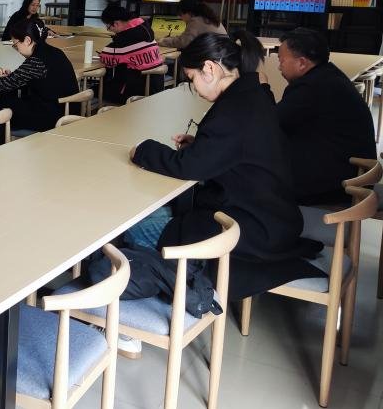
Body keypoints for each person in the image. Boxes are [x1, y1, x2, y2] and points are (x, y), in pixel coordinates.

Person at [130, 31, 316, 297]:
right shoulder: (253, 96)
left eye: (192, 79)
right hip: (272, 215)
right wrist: (203, 146)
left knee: (135, 229)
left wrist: (143, 149)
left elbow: (189, 167)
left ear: (209, 68)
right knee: (156, 214)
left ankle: (162, 278)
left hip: (250, 228)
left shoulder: (233, 111)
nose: (194, 88)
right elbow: (235, 149)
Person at [273, 28, 376, 205]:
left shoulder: (310, 88)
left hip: (339, 186)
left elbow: (270, 122)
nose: (279, 66)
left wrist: (263, 88)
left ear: (302, 63)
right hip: (352, 173)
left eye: (281, 60)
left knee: (259, 175)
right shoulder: (327, 75)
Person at [0, 18, 80, 132]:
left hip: (53, 116)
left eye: (15, 44)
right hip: (67, 110)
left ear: (27, 40)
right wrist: (13, 77)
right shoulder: (55, 52)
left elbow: (3, 84)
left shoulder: (36, 60)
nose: (16, 49)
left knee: (2, 104)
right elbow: (32, 77)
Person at [99, 4, 164, 104]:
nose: (110, 30)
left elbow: (105, 58)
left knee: (97, 90)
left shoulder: (123, 41)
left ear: (116, 23)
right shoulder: (145, 29)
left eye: (108, 27)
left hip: (137, 93)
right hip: (157, 87)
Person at [158, 0, 227, 49]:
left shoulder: (196, 21)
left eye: (181, 14)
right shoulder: (207, 18)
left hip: (216, 55)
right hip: (223, 52)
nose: (180, 17)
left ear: (188, 13)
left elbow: (183, 42)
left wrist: (162, 41)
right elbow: (185, 38)